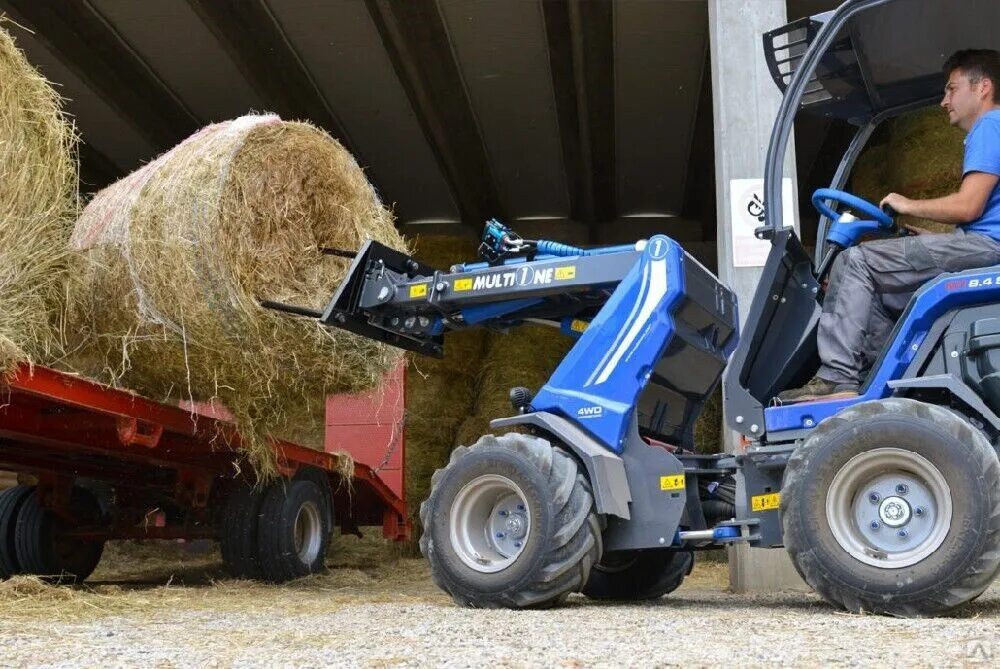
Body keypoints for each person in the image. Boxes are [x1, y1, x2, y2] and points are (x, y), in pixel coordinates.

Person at [780, 49, 1000, 402]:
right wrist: (937, 239)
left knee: (857, 262)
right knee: (879, 292)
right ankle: (880, 386)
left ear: (983, 87)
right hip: (984, 245)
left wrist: (906, 203)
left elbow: (969, 206)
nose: (944, 101)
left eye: (951, 89)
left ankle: (837, 377)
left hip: (989, 250)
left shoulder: (990, 125)